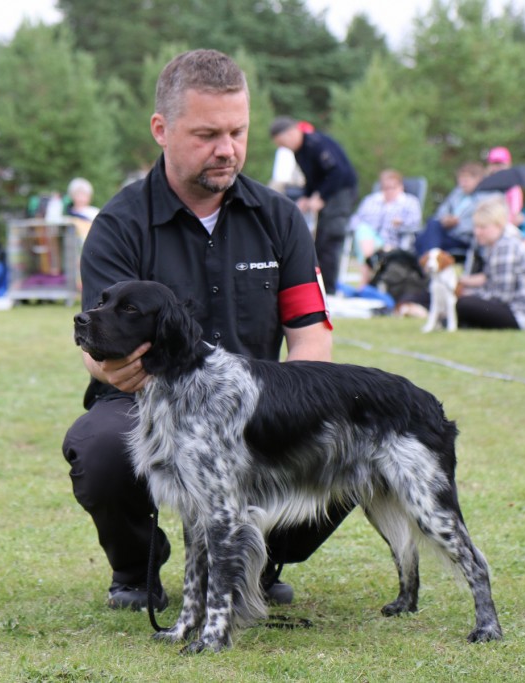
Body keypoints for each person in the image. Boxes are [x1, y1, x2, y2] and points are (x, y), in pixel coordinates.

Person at [62, 49, 343, 612]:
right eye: (207, 133)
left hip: (257, 401)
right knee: (99, 448)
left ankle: (259, 563)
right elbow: (101, 356)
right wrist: (137, 378)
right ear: (161, 130)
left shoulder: (280, 218)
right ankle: (136, 569)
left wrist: (290, 407)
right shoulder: (118, 226)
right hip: (146, 400)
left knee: (345, 428)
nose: (227, 149)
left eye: (238, 132)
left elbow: (312, 332)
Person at [270, 115, 358, 294]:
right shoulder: (299, 152)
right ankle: (320, 287)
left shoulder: (316, 144)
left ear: (292, 132)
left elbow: (338, 172)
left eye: (282, 142)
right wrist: (307, 196)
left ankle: (330, 289)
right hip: (327, 194)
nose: (283, 147)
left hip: (340, 192)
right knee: (318, 241)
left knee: (330, 238)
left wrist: (321, 197)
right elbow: (312, 178)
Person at [456, 195, 525, 330]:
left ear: (499, 226)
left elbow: (502, 296)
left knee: (464, 304)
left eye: (483, 227)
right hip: (520, 310)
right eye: (476, 227)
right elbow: (491, 281)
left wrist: (471, 294)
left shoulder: (505, 247)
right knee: (466, 304)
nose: (477, 232)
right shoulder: (498, 243)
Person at [348, 169, 422, 283]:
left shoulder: (410, 202)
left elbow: (416, 225)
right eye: (385, 187)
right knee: (362, 230)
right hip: (370, 241)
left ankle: (365, 280)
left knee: (364, 239)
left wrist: (402, 223)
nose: (389, 191)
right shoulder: (371, 200)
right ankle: (371, 262)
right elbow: (355, 219)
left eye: (393, 187)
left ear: (401, 186)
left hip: (394, 243)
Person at [414, 162, 486, 257]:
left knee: (422, 240)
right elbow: (442, 210)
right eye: (461, 179)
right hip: (445, 232)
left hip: (462, 239)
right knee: (432, 222)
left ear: (478, 180)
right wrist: (445, 219)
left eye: (467, 179)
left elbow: (480, 223)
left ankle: (427, 263)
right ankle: (431, 261)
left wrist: (456, 224)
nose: (463, 183)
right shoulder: (457, 193)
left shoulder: (484, 198)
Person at [485, 146, 522, 226]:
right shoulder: (485, 184)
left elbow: (514, 213)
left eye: (500, 164)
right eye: (494, 164)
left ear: (508, 164)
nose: (497, 167)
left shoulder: (512, 187)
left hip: (504, 226)